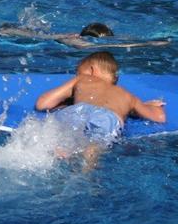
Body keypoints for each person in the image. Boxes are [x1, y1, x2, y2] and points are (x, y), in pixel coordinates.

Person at [35, 51, 165, 167]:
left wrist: (68, 102)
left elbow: (43, 103)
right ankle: (87, 169)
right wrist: (149, 106)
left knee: (60, 136)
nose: (77, 75)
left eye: (78, 72)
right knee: (96, 143)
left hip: (77, 110)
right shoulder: (128, 97)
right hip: (107, 117)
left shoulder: (84, 79)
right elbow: (159, 117)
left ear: (92, 70)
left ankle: (60, 153)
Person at [0, 15, 170, 48]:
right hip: (5, 34)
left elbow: (118, 40)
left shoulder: (74, 34)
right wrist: (151, 45)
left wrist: (154, 40)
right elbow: (110, 46)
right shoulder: (79, 44)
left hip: (13, 29)